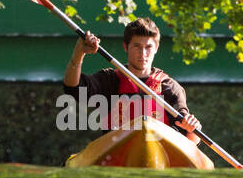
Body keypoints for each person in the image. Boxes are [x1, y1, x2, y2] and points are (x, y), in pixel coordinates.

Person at [63, 17, 202, 141]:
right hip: (116, 155)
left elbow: (189, 138)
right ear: (126, 47)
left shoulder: (169, 87)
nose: (143, 53)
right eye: (137, 46)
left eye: (148, 47)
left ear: (156, 48)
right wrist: (79, 53)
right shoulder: (109, 80)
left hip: (158, 160)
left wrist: (193, 129)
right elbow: (72, 88)